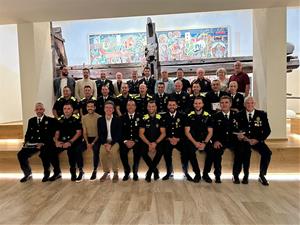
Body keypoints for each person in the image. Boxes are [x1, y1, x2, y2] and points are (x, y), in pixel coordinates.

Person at [234, 96, 272, 186]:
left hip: (257, 140)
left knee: (267, 153)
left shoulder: (262, 114)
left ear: (255, 104)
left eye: (252, 103)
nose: (249, 105)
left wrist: (258, 140)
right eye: (247, 103)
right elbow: (236, 128)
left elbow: (267, 130)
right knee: (243, 152)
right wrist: (242, 136)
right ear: (244, 104)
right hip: (244, 140)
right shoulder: (239, 115)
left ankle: (262, 175)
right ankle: (241, 175)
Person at [17, 102, 58, 182]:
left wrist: (43, 143)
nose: (39, 111)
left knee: (44, 154)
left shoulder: (50, 120)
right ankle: (27, 173)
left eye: (40, 109)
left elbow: (51, 134)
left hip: (45, 143)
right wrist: (26, 142)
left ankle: (47, 173)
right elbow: (28, 133)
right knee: (21, 154)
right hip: (33, 144)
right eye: (37, 109)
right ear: (35, 110)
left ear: (44, 110)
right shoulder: (31, 121)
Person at [185, 97, 214, 183]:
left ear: (203, 104)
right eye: (196, 103)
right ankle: (197, 174)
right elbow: (187, 132)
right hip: (193, 140)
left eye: (199, 103)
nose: (197, 105)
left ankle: (205, 174)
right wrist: (195, 143)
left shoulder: (208, 115)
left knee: (212, 151)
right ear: (193, 104)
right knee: (190, 151)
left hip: (205, 140)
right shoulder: (189, 115)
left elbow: (210, 132)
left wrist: (204, 143)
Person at [53, 102, 84, 182]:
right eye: (65, 109)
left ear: (72, 110)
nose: (66, 110)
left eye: (68, 109)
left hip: (74, 141)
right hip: (62, 141)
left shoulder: (76, 119)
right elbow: (57, 132)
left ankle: (76, 171)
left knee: (72, 151)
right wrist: (56, 141)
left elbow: (79, 133)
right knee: (51, 151)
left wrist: (70, 142)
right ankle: (57, 172)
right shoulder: (60, 120)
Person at [211, 96, 238, 183]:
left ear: (230, 104)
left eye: (226, 102)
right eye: (222, 103)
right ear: (219, 104)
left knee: (241, 151)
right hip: (220, 141)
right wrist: (215, 140)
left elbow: (241, 128)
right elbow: (212, 131)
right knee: (216, 153)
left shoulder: (236, 115)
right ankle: (217, 175)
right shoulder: (215, 116)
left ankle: (236, 175)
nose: (224, 104)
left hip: (233, 140)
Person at [162, 99, 190, 180]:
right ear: (167, 106)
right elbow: (163, 132)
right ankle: (169, 172)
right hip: (168, 140)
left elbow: (186, 132)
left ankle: (186, 172)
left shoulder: (183, 116)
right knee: (166, 152)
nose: (172, 106)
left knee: (185, 151)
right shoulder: (163, 117)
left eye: (173, 105)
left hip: (180, 140)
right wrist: (169, 139)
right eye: (170, 105)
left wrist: (178, 139)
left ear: (177, 106)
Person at [139, 100, 166, 182]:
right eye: (149, 106)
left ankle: (150, 172)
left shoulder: (160, 118)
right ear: (147, 107)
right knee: (142, 152)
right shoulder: (144, 118)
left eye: (153, 106)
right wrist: (149, 144)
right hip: (146, 141)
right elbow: (141, 134)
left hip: (158, 141)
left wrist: (155, 143)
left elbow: (163, 133)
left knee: (160, 151)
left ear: (156, 107)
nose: (151, 108)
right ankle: (155, 171)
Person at [97, 101, 122, 182]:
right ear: (104, 109)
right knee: (102, 153)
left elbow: (118, 134)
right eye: (106, 107)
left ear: (113, 109)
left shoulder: (118, 119)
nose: (108, 109)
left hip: (115, 141)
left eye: (110, 107)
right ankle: (106, 172)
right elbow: (100, 134)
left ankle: (115, 172)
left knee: (114, 152)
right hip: (104, 141)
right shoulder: (100, 120)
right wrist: (105, 143)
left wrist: (110, 144)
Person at [120, 100, 142, 181]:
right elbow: (120, 132)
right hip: (125, 142)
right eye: (128, 105)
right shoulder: (122, 118)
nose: (130, 107)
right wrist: (125, 141)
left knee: (137, 152)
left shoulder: (140, 117)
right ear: (126, 107)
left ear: (135, 107)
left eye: (132, 105)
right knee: (122, 152)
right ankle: (127, 171)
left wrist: (135, 141)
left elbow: (142, 132)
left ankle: (135, 172)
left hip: (136, 141)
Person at [82, 100, 101, 180]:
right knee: (78, 149)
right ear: (86, 108)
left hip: (96, 138)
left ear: (95, 107)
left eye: (91, 106)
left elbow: (99, 133)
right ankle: (80, 170)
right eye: (88, 106)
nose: (90, 108)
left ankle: (95, 170)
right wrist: (87, 143)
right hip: (87, 138)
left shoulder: (99, 117)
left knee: (96, 150)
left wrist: (92, 143)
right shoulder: (83, 117)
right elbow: (84, 131)